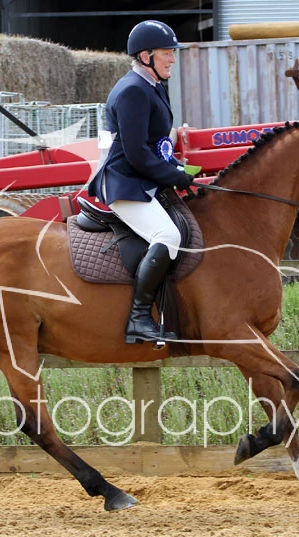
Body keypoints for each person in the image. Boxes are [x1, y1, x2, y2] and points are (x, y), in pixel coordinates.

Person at [88, 20, 193, 345]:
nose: (172, 58)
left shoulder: (153, 85)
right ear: (146, 56)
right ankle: (138, 318)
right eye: (166, 52)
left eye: (172, 52)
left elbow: (155, 144)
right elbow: (136, 153)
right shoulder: (133, 90)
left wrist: (178, 168)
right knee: (168, 235)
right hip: (124, 182)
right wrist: (174, 176)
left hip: (140, 178)